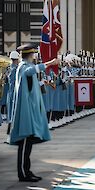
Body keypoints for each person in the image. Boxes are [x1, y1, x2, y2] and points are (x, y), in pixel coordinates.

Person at [10, 43, 59, 182]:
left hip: (30, 112)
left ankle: (27, 170)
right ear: (30, 55)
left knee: (28, 143)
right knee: (24, 143)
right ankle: (23, 173)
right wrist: (50, 63)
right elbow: (30, 71)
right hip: (25, 113)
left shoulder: (26, 66)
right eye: (33, 55)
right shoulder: (23, 67)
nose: (34, 57)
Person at [5, 51, 20, 143]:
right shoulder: (15, 69)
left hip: (9, 94)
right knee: (13, 116)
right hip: (14, 94)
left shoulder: (9, 69)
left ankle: (10, 137)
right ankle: (11, 137)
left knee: (10, 116)